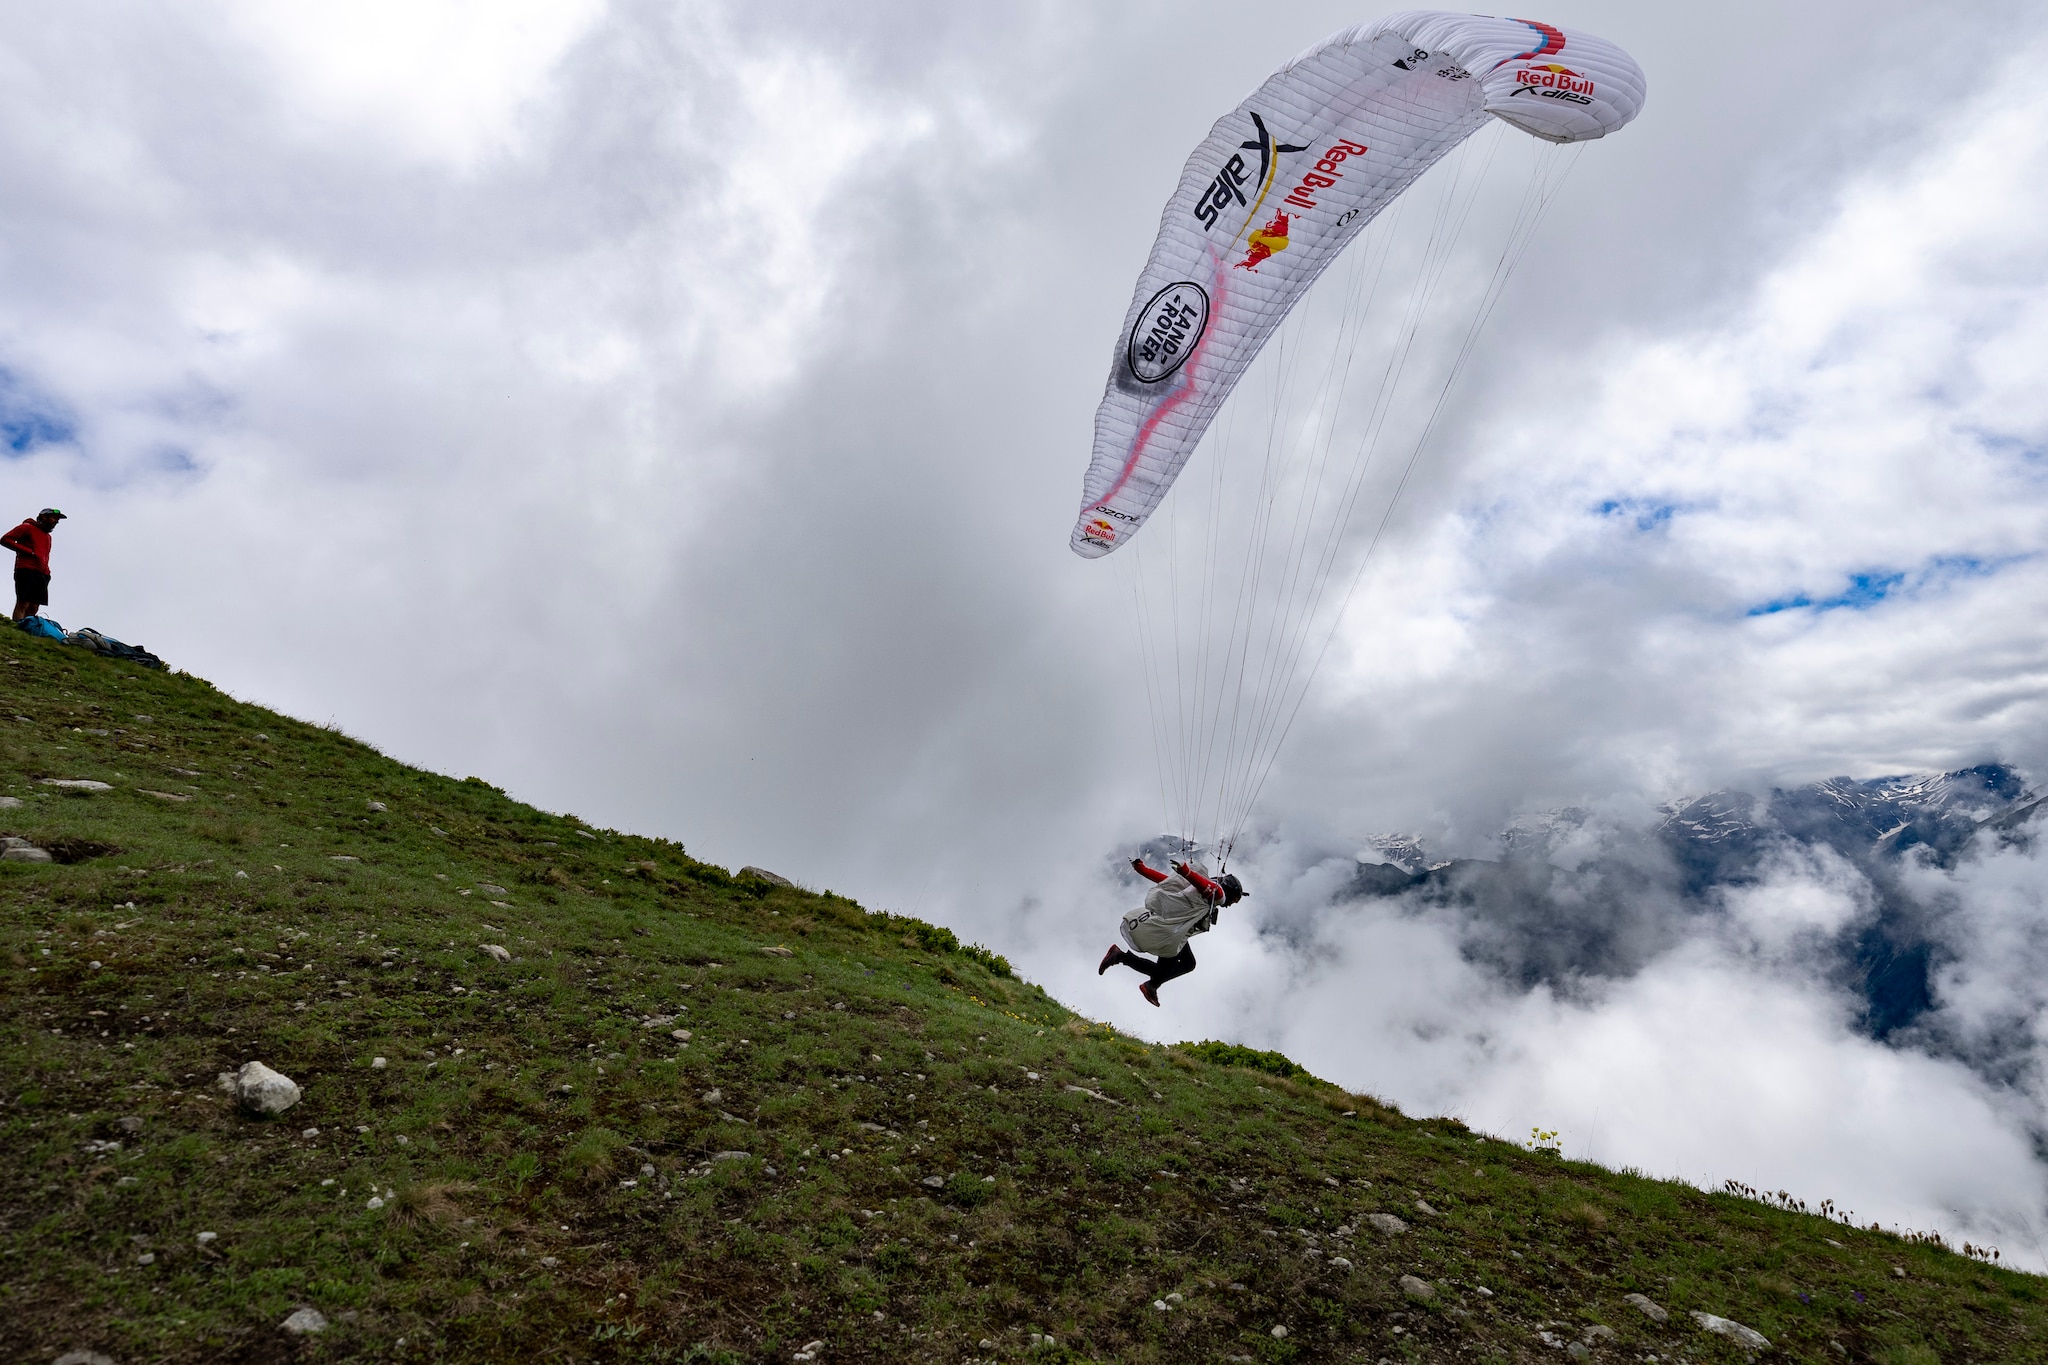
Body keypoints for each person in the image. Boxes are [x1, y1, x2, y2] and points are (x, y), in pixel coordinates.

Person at [1099, 854, 1246, 1005]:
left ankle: (1149, 982)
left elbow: (1165, 881)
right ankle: (1125, 961)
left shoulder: (1195, 889)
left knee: (1188, 964)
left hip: (1177, 930)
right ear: (1230, 891)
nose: (1231, 904)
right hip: (1170, 931)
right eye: (1234, 900)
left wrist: (1142, 869)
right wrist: (1186, 872)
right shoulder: (1218, 894)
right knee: (1162, 971)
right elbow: (1207, 886)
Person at [4, 507, 65, 622]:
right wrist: (29, 552)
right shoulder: (27, 527)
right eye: (54, 518)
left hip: (42, 573)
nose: (56, 521)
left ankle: (27, 630)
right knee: (23, 603)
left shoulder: (48, 536)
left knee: (34, 606)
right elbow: (6, 539)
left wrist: (47, 572)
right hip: (26, 569)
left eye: (58, 519)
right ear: (43, 517)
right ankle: (17, 627)